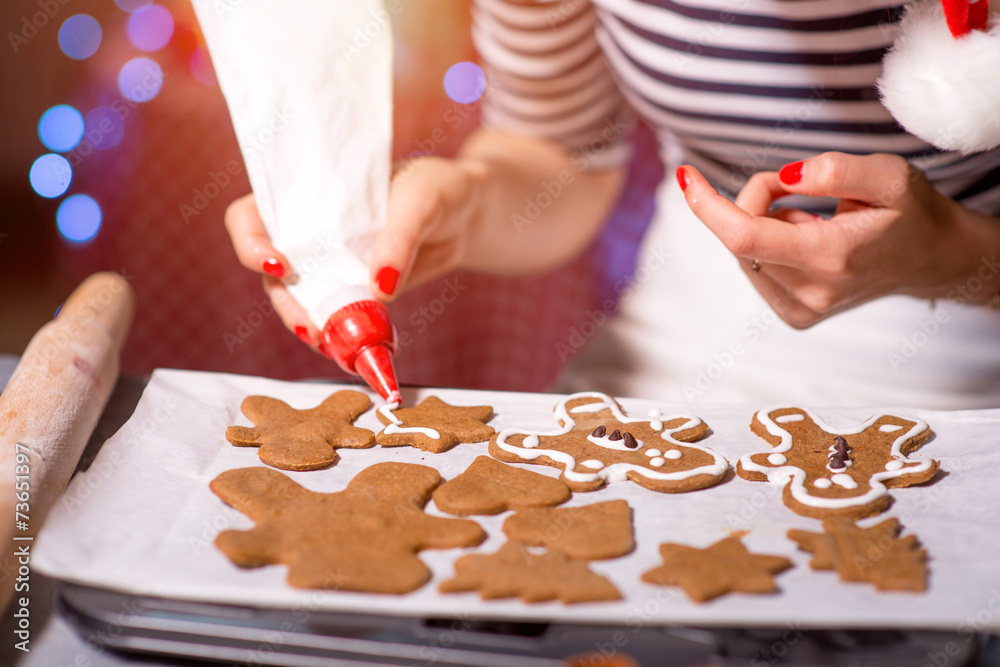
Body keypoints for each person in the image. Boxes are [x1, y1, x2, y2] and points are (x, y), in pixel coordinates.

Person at [223, 0, 1000, 409]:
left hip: (976, 395)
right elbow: (561, 155)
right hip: (665, 370)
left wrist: (958, 261)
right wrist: (463, 201)